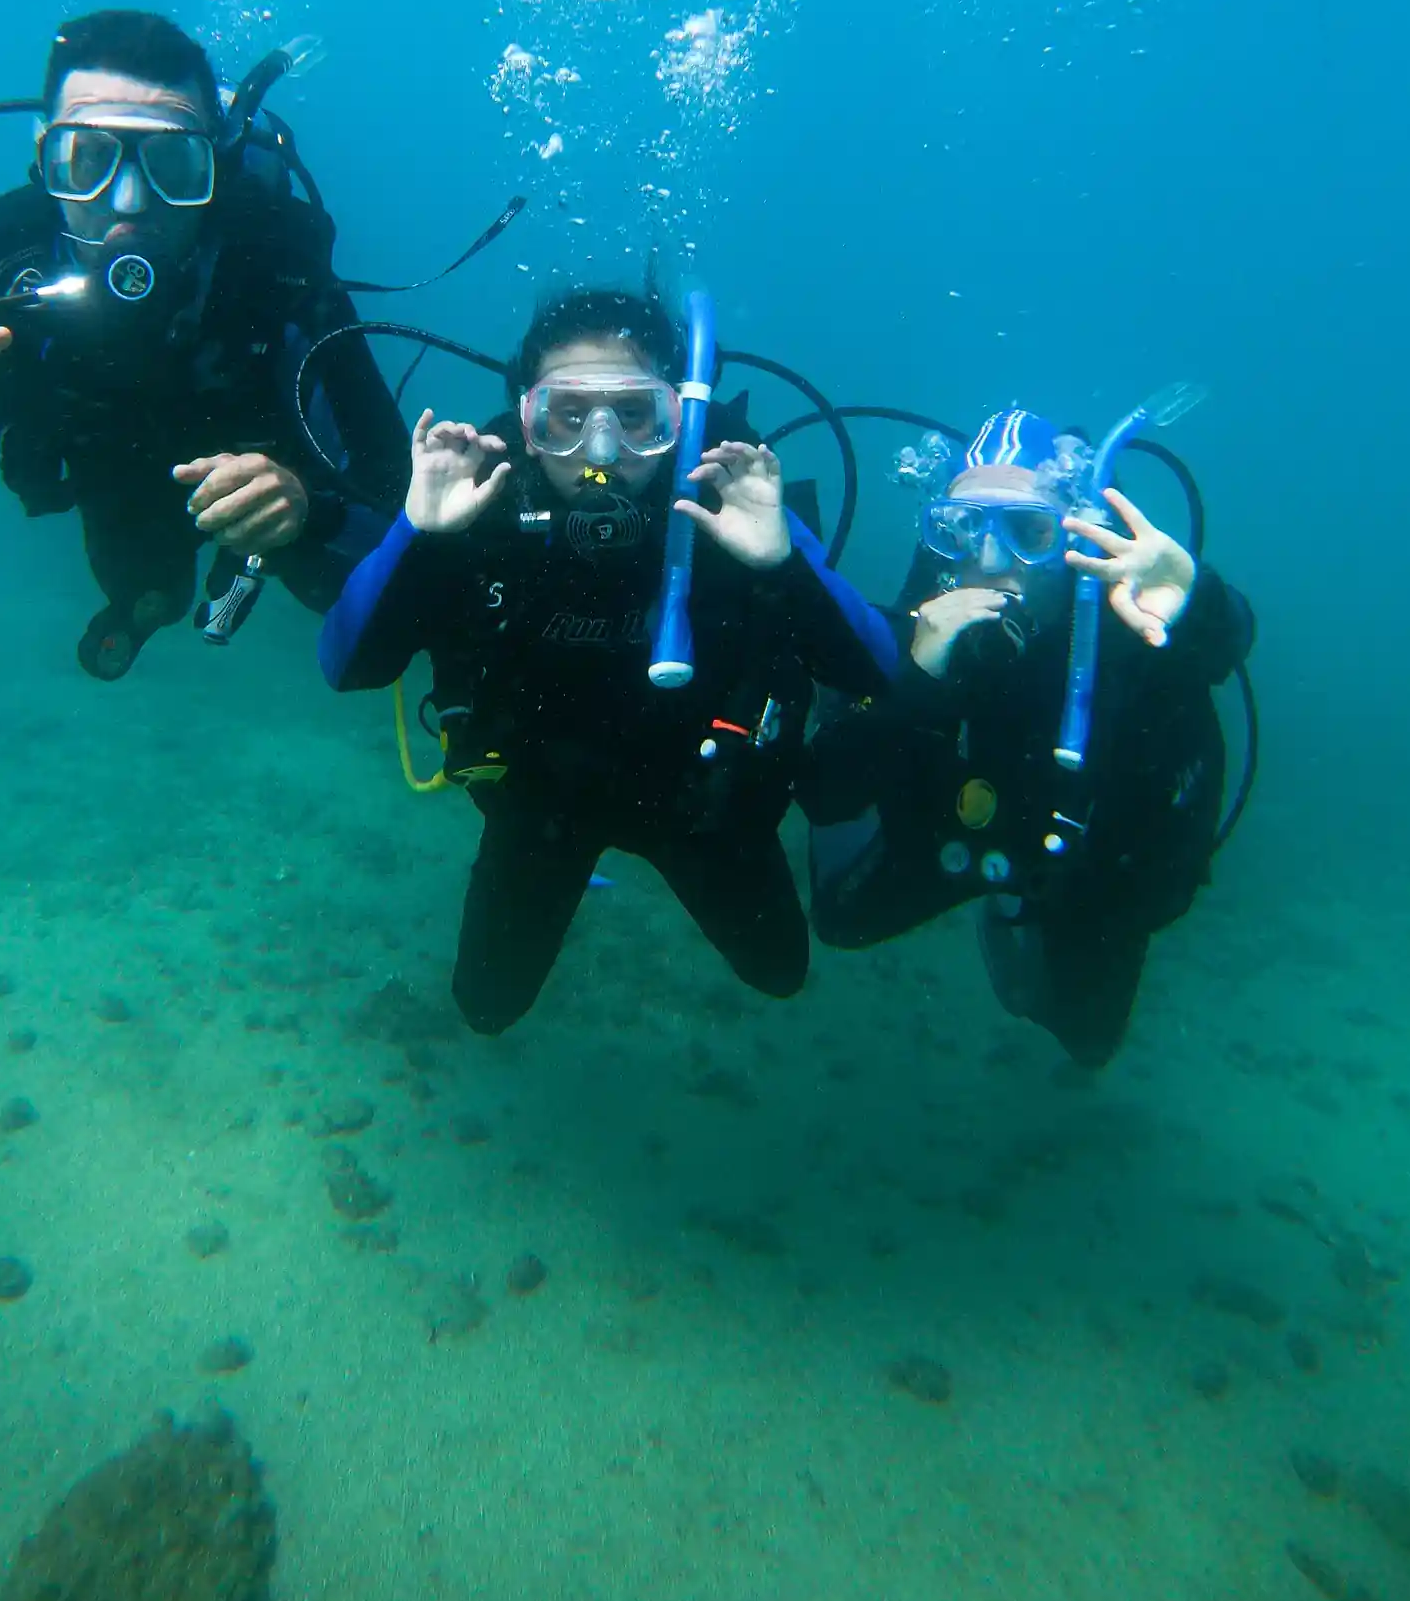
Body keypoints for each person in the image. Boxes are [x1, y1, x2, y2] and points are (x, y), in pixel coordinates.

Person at [0, 9, 409, 678]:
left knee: (335, 586)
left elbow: (395, 496)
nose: (127, 202)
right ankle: (152, 605)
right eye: (88, 159)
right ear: (44, 155)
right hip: (110, 470)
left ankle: (253, 552)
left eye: (174, 165)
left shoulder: (277, 258)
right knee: (145, 585)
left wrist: (308, 506)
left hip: (268, 480)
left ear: (220, 158)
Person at [318, 288, 899, 1032]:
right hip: (541, 807)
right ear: (527, 423)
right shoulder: (479, 506)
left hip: (705, 806)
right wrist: (417, 532)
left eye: (633, 416)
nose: (600, 451)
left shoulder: (727, 503)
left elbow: (875, 675)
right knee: (485, 1006)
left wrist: (783, 564)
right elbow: (347, 665)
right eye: (567, 416)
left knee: (781, 972)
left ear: (676, 419)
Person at [799, 408, 1253, 1068]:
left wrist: (1195, 598)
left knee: (1088, 1038)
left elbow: (1226, 643)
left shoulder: (1125, 613)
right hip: (957, 832)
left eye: (1029, 531)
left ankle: (1024, 933)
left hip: (1082, 864)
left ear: (1077, 539)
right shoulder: (935, 602)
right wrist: (915, 678)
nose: (988, 558)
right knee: (840, 919)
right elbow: (827, 791)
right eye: (961, 527)